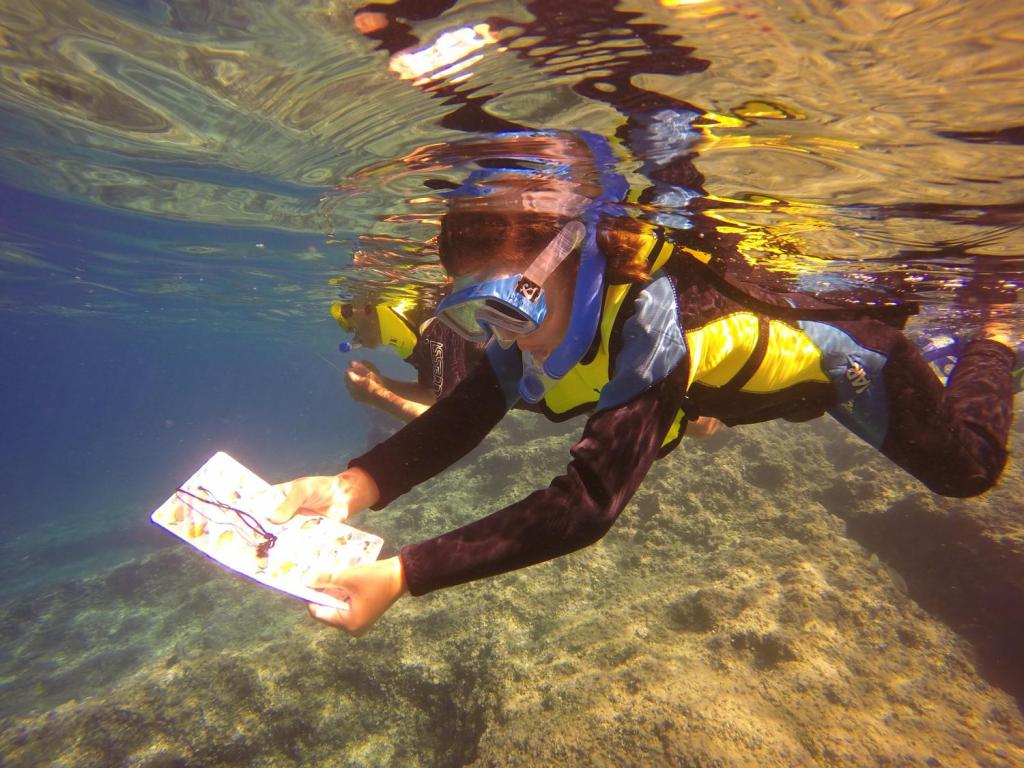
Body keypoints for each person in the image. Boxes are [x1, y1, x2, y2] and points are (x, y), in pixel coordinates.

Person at [273, 131, 1020, 635]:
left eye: (507, 304)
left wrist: (405, 572)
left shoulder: (652, 326)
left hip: (852, 366)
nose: (499, 334)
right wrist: (353, 488)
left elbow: (588, 503)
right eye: (476, 314)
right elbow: (467, 410)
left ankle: (989, 338)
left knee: (970, 472)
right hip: (742, 398)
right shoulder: (527, 326)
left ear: (577, 260)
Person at [332, 298, 484, 422]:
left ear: (369, 308)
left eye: (347, 313)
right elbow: (432, 395)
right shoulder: (415, 335)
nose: (350, 330)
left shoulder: (434, 331)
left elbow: (449, 422)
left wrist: (377, 395)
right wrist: (383, 384)